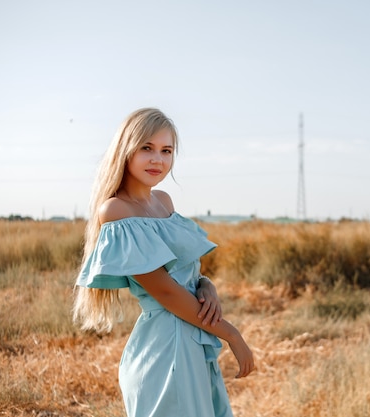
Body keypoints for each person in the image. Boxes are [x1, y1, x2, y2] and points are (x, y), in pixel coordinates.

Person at [73, 107, 255, 416]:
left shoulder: (164, 202)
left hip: (192, 338)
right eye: (147, 148)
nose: (158, 159)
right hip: (164, 348)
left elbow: (186, 272)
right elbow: (167, 292)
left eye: (166, 150)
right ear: (125, 150)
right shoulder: (117, 211)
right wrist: (232, 335)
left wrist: (206, 284)